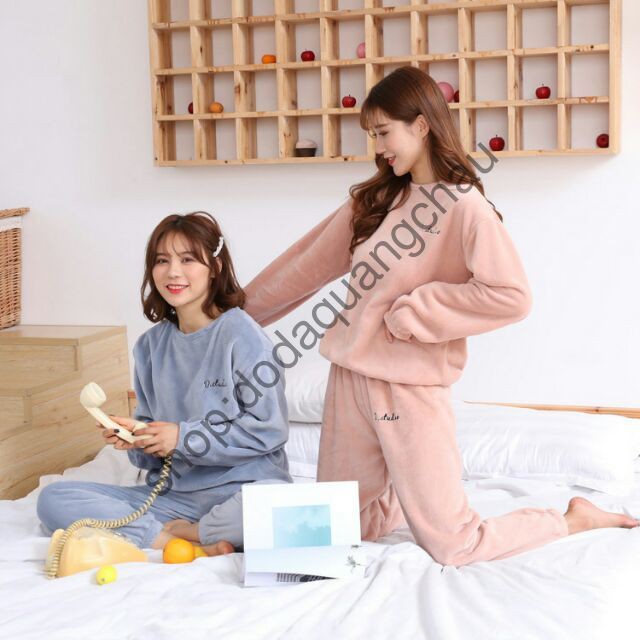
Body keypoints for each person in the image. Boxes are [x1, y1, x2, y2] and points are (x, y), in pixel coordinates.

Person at [236, 66, 639, 567]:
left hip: (410, 387)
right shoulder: (373, 202)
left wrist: (418, 311)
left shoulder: (465, 207)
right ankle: (400, 502)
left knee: (454, 544)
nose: (378, 147)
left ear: (422, 125)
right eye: (373, 135)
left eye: (384, 132)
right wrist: (229, 312)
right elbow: (302, 267)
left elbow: (511, 295)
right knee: (342, 526)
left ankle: (571, 518)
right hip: (349, 380)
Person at [37, 211, 293, 556]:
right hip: (175, 500)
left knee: (276, 506)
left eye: (187, 259)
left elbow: (269, 431)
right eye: (162, 260)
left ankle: (191, 533)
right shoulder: (149, 347)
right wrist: (139, 439)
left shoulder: (242, 335)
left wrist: (183, 437)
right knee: (54, 499)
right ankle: (174, 541)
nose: (173, 272)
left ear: (214, 267)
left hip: (243, 491)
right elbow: (154, 458)